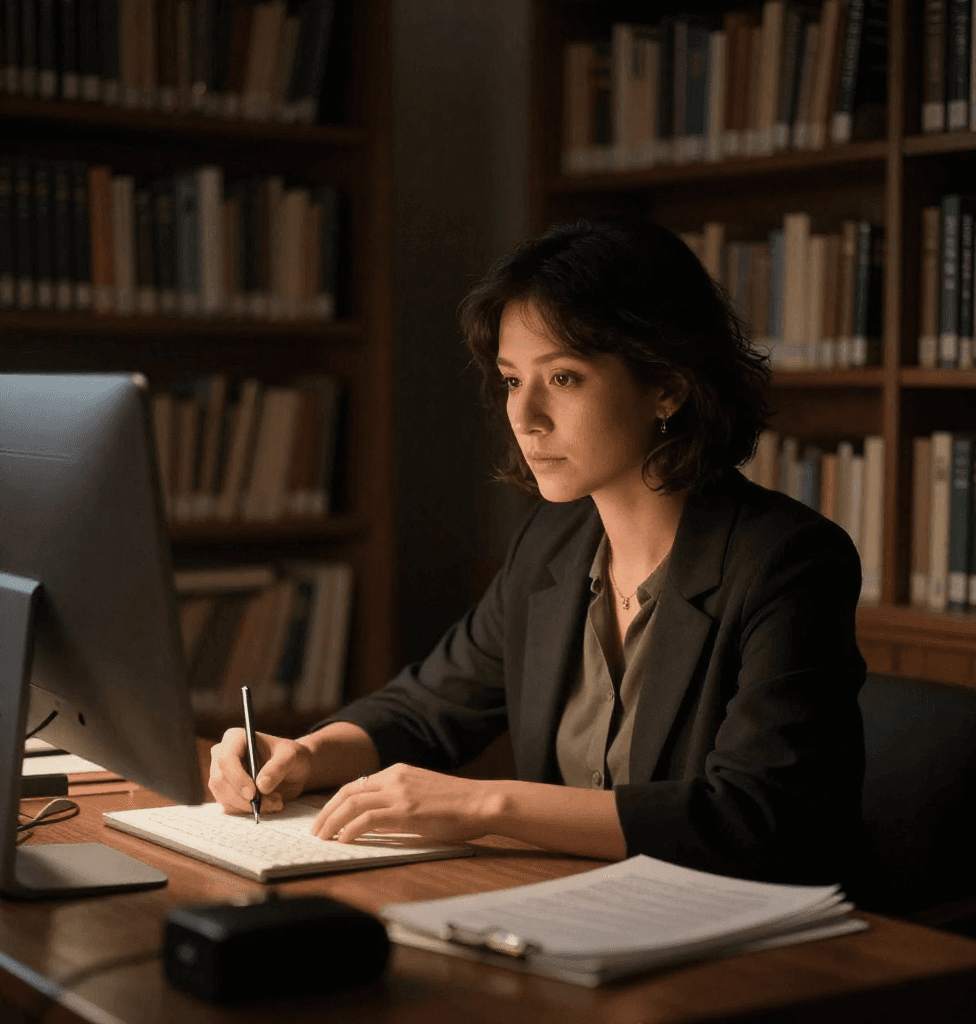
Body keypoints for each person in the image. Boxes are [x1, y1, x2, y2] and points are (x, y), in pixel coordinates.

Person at [209, 218, 867, 886]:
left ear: (666, 386)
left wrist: (487, 803)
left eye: (564, 379)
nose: (525, 416)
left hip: (731, 934)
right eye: (512, 379)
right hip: (570, 912)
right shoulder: (551, 543)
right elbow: (429, 708)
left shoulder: (789, 562)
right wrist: (302, 753)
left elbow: (755, 819)